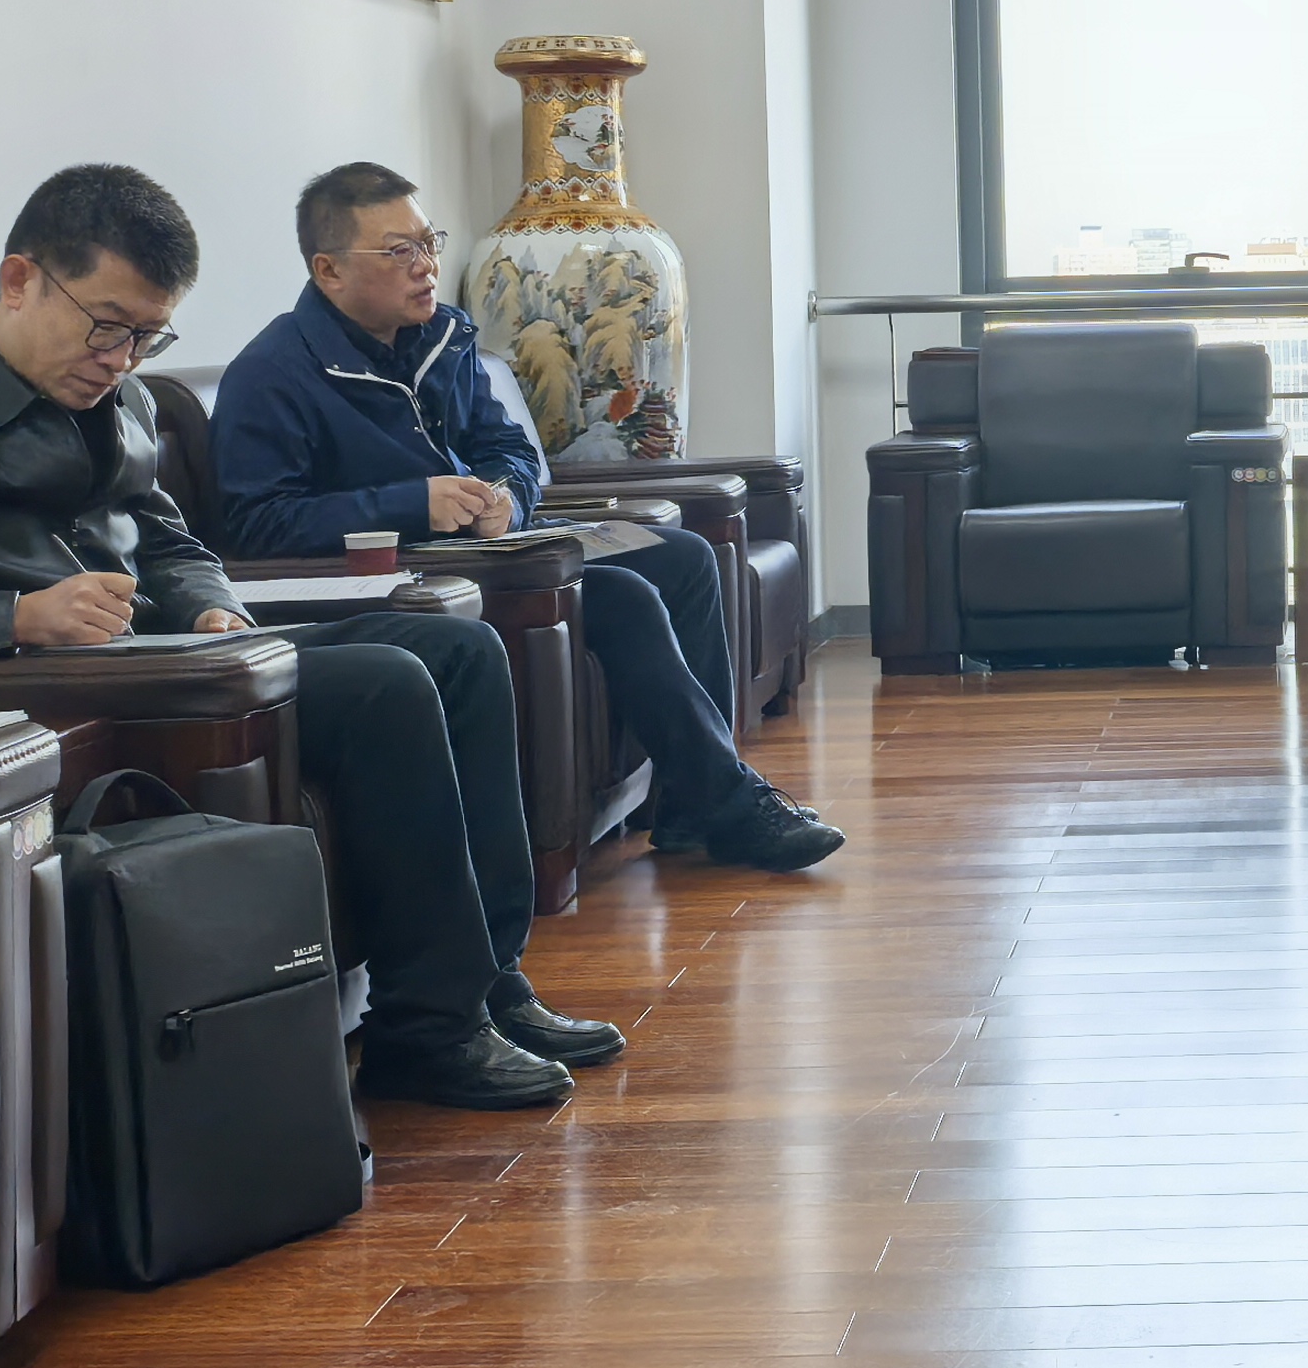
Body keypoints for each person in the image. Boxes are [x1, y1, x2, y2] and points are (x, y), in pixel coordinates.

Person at [0, 164, 615, 1112]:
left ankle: (488, 980)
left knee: (462, 648)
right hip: (54, 696)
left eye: (146, 336)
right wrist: (14, 614)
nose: (120, 358)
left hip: (175, 661)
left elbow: (170, 544)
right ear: (19, 281)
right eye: (106, 325)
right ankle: (429, 1030)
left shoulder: (121, 403)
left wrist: (213, 608)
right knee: (387, 683)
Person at [205, 163, 840, 874]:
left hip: (493, 547)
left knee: (683, 557)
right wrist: (413, 503)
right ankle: (728, 804)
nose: (426, 266)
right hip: (407, 576)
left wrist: (508, 493)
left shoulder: (442, 336)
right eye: (399, 251)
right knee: (623, 597)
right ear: (329, 270)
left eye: (429, 242)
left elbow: (506, 446)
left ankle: (691, 807)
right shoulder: (273, 373)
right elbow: (257, 525)